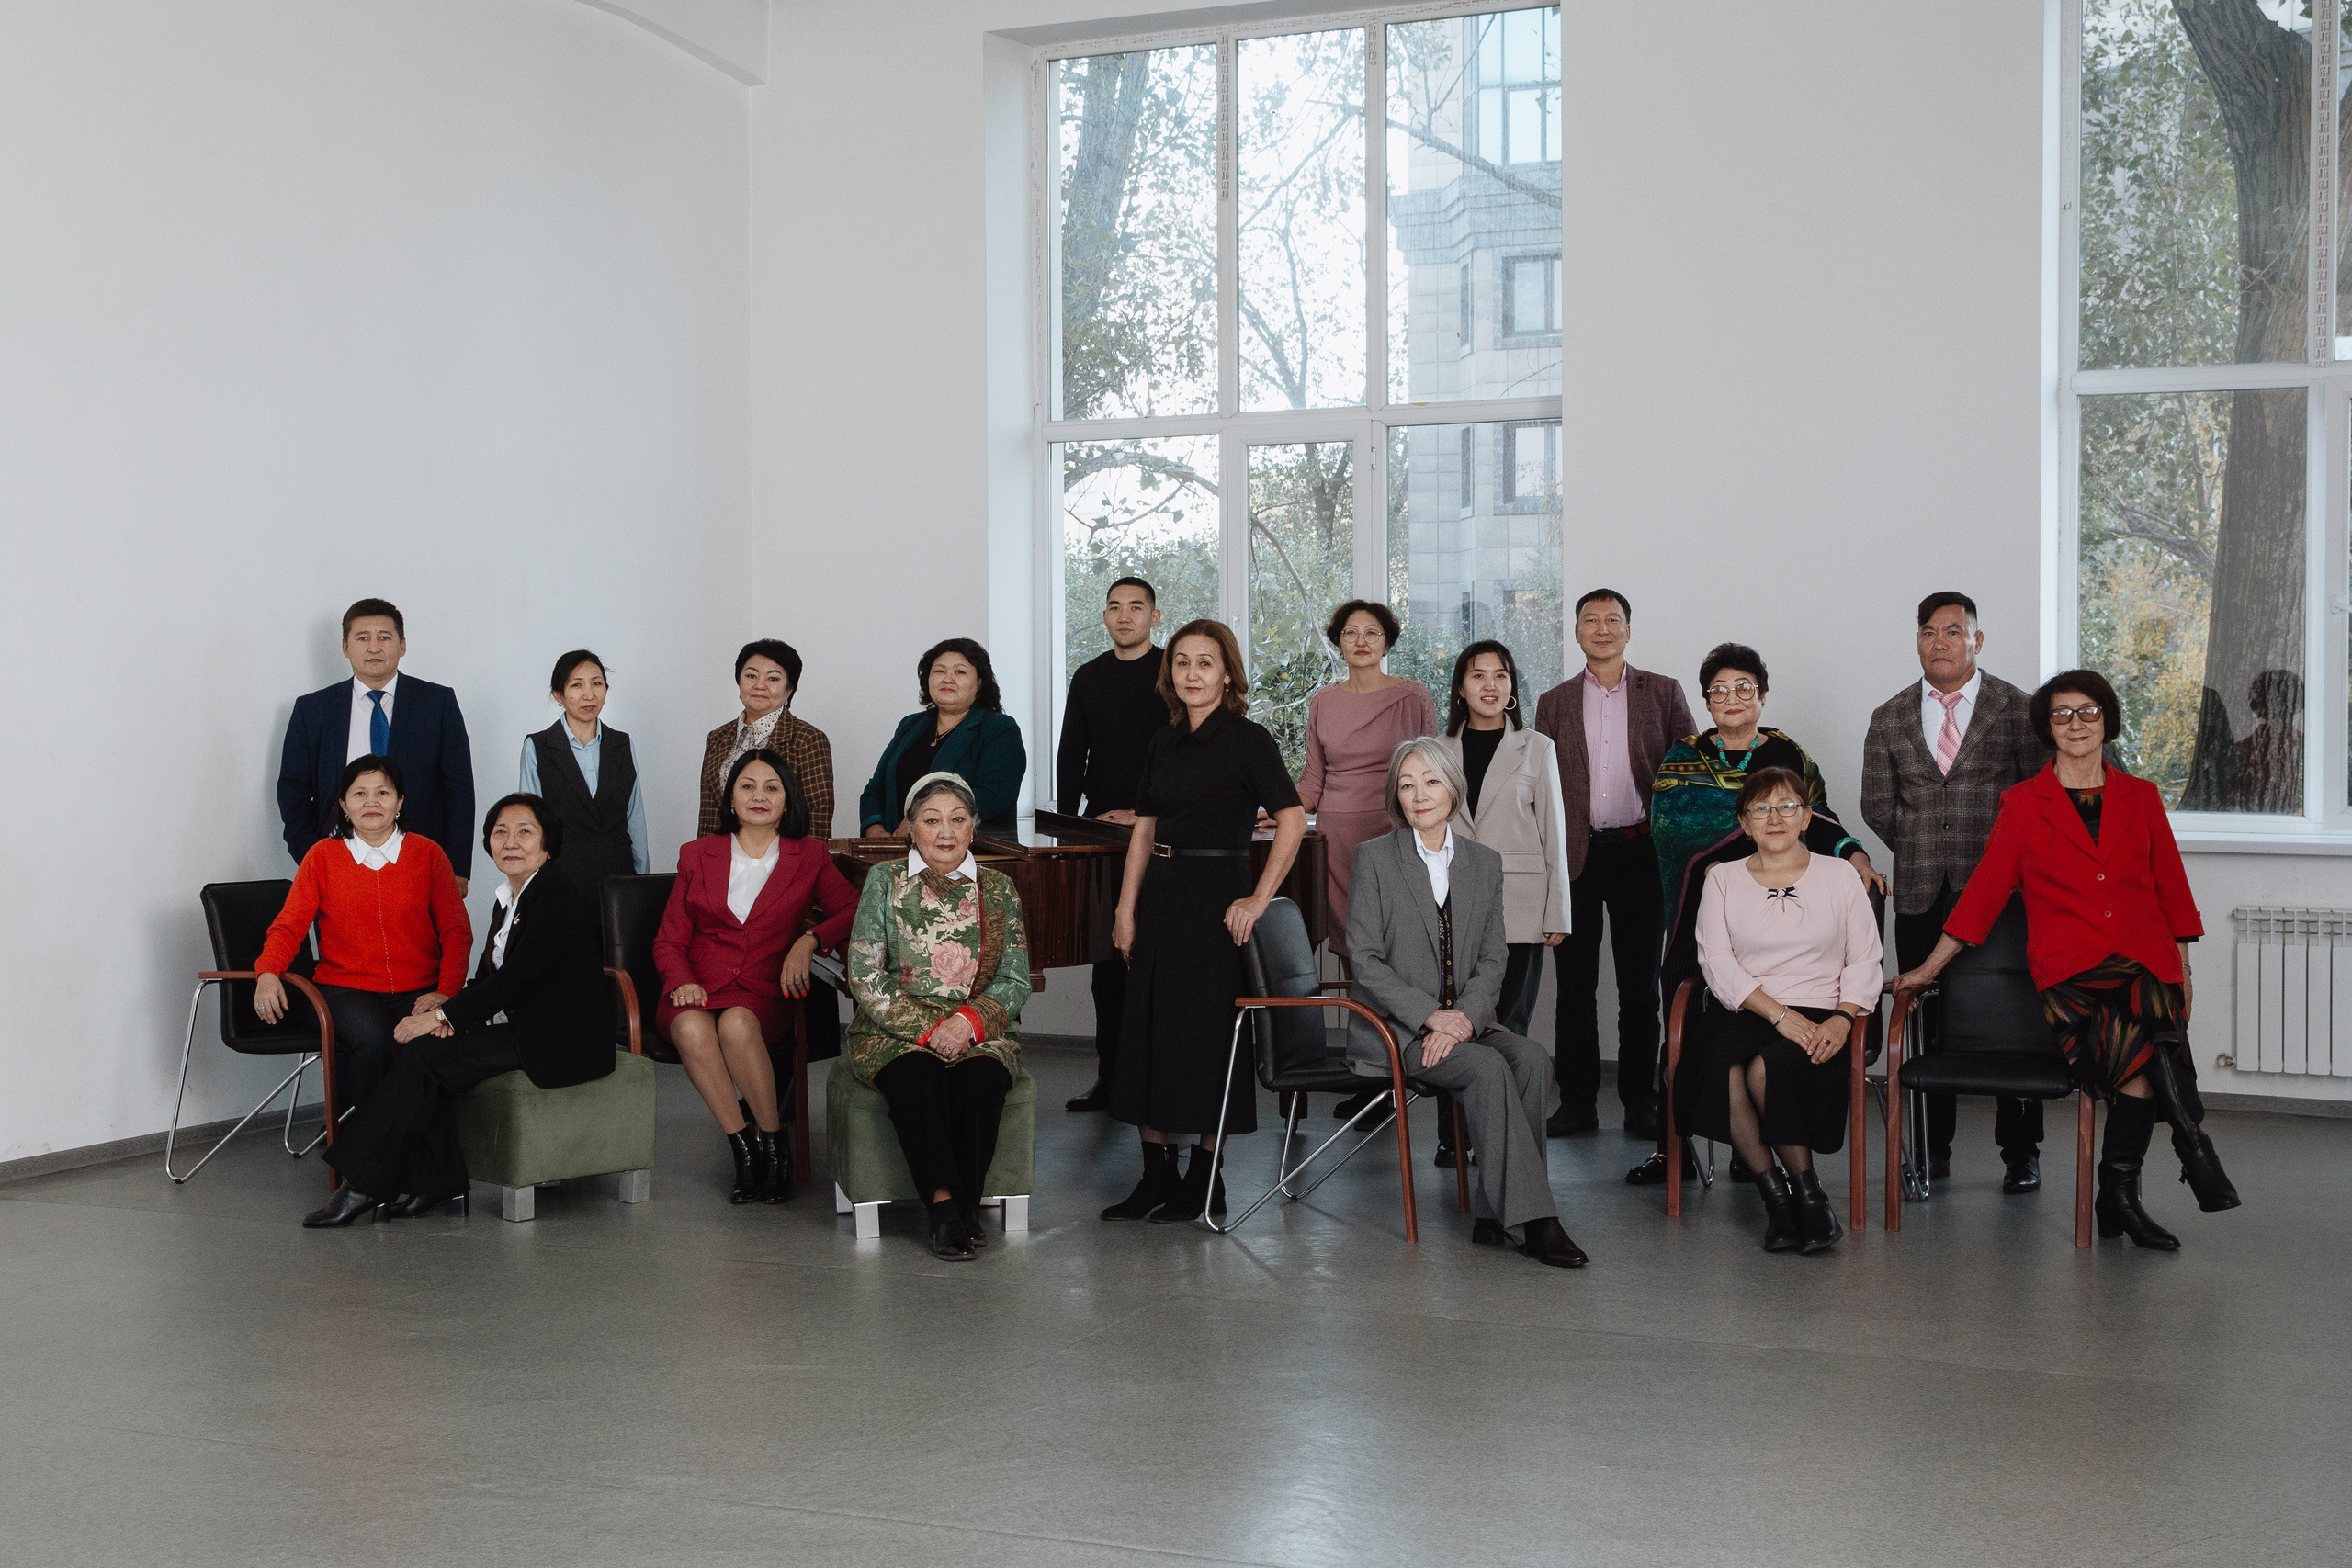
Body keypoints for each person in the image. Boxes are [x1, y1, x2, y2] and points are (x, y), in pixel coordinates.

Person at [1896, 671, 2237, 1251]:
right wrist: (1930, 967)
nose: (2076, 724)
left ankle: (2119, 1195)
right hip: (2071, 971)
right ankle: (2182, 1151)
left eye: (2088, 712)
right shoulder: (2024, 804)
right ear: (2046, 727)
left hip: (2144, 959)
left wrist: (2183, 971)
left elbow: (2171, 889)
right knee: (2154, 1034)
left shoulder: (2142, 797)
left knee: (2143, 1043)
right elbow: (1984, 894)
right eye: (2062, 715)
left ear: (2107, 719)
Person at [1629, 641, 1883, 1187]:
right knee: (1684, 1021)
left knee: (1762, 1046)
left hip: (1780, 887)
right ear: (1707, 702)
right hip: (1702, 899)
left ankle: (1757, 1153)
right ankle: (1670, 1153)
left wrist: (1853, 852)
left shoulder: (1786, 753)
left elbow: (1817, 816)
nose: (1732, 698)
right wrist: (1735, 860)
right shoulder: (1683, 758)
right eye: (1719, 691)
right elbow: (1672, 831)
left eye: (1744, 688)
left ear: (1762, 697)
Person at [301, 794, 615, 1226]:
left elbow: (516, 980)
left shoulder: (554, 895)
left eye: (525, 832)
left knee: (425, 1053)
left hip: (560, 1039)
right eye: (500, 832)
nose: (510, 842)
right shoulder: (510, 897)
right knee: (427, 1053)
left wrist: (443, 1017)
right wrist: (450, 1008)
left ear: (547, 845)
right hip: (523, 1026)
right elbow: (491, 980)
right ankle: (434, 1183)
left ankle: (362, 1183)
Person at [1345, 739, 1588, 1269]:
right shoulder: (1375, 858)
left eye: (1431, 781)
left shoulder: (1484, 862)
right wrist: (1433, 1017)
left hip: (1466, 1021)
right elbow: (1363, 961)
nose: (1419, 795)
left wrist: (1462, 1020)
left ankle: (1494, 1213)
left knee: (1528, 1059)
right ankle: (1535, 1221)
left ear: (1453, 788)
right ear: (1396, 796)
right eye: (1407, 785)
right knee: (1486, 1069)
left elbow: (1493, 960)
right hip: (1398, 1030)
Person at [1104, 620, 1307, 1224]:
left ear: (1227, 674)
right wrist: (1123, 908)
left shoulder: (1248, 739)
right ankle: (1154, 1175)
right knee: (1145, 1033)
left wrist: (1258, 899)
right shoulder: (1162, 741)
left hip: (1215, 899)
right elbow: (1145, 828)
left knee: (1205, 1040)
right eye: (1183, 663)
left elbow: (1291, 820)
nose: (1192, 673)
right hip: (1158, 897)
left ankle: (1204, 1180)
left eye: (1205, 663)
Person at [1860, 592, 2047, 1192]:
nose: (1940, 642)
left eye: (1953, 631)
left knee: (2011, 1019)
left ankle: (2021, 1153)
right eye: (1929, 632)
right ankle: (1931, 1149)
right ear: (1917, 640)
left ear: (1977, 639)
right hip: (1919, 891)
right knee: (1927, 1020)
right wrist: (1922, 847)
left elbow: (2037, 798)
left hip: (2000, 895)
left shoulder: (2017, 709)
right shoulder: (1889, 715)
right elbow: (1876, 806)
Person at [1679, 768, 1884, 1254]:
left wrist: (1844, 1016)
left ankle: (1807, 1196)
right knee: (1723, 1068)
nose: (1776, 818)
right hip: (1744, 1007)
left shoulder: (1840, 876)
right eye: (1761, 809)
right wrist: (1778, 1016)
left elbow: (1865, 956)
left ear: (1807, 817)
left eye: (1788, 806)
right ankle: (1782, 1198)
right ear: (1744, 824)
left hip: (1823, 1011)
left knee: (1766, 1068)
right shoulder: (1722, 878)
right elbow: (1716, 961)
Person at [656, 749, 859, 1204]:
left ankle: (773, 1139)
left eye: (772, 787)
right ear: (730, 799)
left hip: (765, 988)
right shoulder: (697, 854)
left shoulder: (808, 855)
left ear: (788, 801)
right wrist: (680, 980)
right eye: (747, 786)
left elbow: (852, 908)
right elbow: (668, 940)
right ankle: (743, 1147)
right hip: (699, 982)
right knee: (688, 1022)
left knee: (736, 1023)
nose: (759, 796)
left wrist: (808, 942)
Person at [843, 773, 1032, 1260]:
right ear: (910, 827)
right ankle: (947, 1210)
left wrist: (966, 1026)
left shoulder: (1000, 888)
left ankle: (964, 1208)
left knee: (982, 1081)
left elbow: (1014, 979)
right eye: (931, 820)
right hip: (894, 1032)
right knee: (919, 1076)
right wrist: (929, 1030)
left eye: (957, 819)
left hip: (975, 1029)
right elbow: (864, 974)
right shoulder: (884, 882)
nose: (945, 832)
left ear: (974, 827)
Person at [1532, 589, 1694, 1140]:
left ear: (1629, 629)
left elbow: (1690, 772)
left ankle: (1639, 1101)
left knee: (1639, 987)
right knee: (1574, 988)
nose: (1602, 628)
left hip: (1640, 852)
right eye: (1590, 620)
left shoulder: (1664, 693)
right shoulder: (1553, 702)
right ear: (1576, 631)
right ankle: (1577, 1102)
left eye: (1613, 619)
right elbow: (1542, 785)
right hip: (1576, 854)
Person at [254, 756, 472, 1114]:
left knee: (426, 1041)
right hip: (343, 990)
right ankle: (363, 1148)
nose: (371, 802)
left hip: (419, 989)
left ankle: (418, 1149)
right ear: (343, 804)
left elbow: (457, 932)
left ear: (400, 801)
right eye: (359, 793)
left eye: (383, 792)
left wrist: (445, 992)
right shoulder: (322, 856)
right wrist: (267, 971)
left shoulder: (429, 854)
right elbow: (289, 925)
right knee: (374, 1040)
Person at [697, 638, 842, 1072]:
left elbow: (818, 819)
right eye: (751, 675)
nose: (761, 685)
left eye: (774, 678)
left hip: (783, 883)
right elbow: (710, 814)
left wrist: (799, 892)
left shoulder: (807, 739)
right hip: (728, 881)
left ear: (791, 687)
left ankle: (774, 1101)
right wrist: (702, 881)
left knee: (766, 1002)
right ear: (738, 681)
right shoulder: (719, 737)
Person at [1056, 576, 1168, 1113]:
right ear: (1104, 616)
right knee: (1108, 963)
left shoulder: (1174, 672)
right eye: (1115, 607)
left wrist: (1148, 813)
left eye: (1136, 607)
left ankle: (1155, 1081)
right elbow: (1070, 752)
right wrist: (1070, 822)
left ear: (1155, 615)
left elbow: (1181, 752)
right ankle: (1110, 1078)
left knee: (1157, 960)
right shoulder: (1089, 676)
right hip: (1103, 834)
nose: (1125, 616)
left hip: (1165, 833)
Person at [277, 598, 477, 893]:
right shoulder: (314, 709)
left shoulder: (437, 703)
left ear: (402, 645)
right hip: (339, 863)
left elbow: (459, 789)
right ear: (345, 647)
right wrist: (311, 857)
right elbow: (293, 789)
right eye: (363, 638)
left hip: (419, 863)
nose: (374, 647)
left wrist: (457, 867)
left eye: (385, 637)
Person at [1439, 640, 1570, 1037]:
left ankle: (1509, 1101)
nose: (1490, 685)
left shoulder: (1537, 747)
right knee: (1455, 1024)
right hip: (1451, 902)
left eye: (1501, 675)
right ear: (1461, 689)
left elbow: (1554, 832)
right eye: (1478, 676)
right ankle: (1460, 1100)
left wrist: (1558, 911)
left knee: (1510, 1024)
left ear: (1512, 686)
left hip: (1520, 904)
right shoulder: (1436, 750)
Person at [1297, 600, 1440, 961]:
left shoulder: (1413, 696)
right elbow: (1313, 779)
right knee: (1351, 938)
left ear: (1387, 644)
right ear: (1339, 642)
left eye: (1372, 633)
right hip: (1339, 836)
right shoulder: (1322, 701)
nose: (1361, 641)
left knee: (1400, 937)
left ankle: (1399, 1019)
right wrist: (1284, 810)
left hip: (1397, 828)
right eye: (1351, 633)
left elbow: (1436, 773)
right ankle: (1360, 1019)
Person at [860, 638, 1027, 836]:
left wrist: (919, 821)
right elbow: (875, 789)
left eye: (960, 672)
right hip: (897, 851)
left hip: (972, 851)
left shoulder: (999, 729)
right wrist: (875, 829)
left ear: (980, 682)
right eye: (939, 671)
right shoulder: (911, 725)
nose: (948, 679)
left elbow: (993, 797)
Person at [518, 649, 649, 900]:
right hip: (562, 879)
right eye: (577, 685)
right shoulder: (538, 746)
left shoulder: (622, 744)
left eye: (597, 684)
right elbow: (532, 825)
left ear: (606, 691)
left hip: (618, 880)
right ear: (559, 695)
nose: (589, 695)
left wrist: (641, 882)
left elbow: (635, 818)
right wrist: (534, 889)